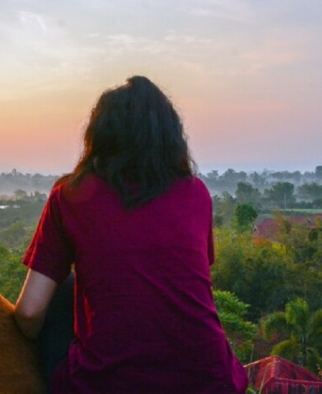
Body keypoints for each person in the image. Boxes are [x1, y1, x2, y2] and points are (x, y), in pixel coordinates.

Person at [14, 76, 248, 393]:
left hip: (108, 383)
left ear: (99, 135)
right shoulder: (196, 193)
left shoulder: (72, 195)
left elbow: (29, 312)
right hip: (212, 380)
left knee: (61, 289)